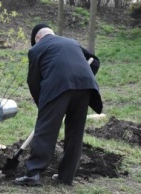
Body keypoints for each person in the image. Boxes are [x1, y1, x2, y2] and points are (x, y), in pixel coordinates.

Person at [15, 24, 103, 186]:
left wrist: (41, 104)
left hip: (58, 86)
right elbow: (95, 62)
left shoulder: (36, 49)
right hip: (85, 87)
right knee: (75, 132)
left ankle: (33, 173)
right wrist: (82, 75)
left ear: (38, 38)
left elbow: (33, 81)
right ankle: (67, 176)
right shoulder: (72, 42)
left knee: (45, 130)